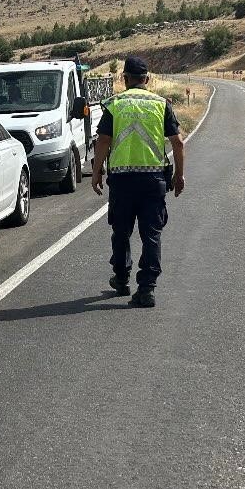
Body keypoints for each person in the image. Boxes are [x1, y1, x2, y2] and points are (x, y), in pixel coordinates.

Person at [90, 55, 185, 308]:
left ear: (124, 79)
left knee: (121, 232)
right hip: (153, 181)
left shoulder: (114, 104)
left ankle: (121, 280)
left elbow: (103, 141)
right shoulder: (161, 104)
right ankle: (147, 289)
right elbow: (177, 142)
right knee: (151, 234)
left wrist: (97, 171)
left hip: (122, 181)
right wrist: (179, 174)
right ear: (148, 79)